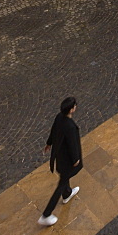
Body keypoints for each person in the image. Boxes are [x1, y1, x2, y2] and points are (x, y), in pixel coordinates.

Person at [39, 96, 82, 227]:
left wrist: (49, 143)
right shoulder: (70, 126)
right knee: (61, 183)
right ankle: (46, 214)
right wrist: (76, 159)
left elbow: (53, 130)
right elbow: (72, 144)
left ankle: (67, 194)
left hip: (60, 156)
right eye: (74, 105)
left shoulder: (59, 117)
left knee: (65, 177)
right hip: (67, 160)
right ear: (71, 110)